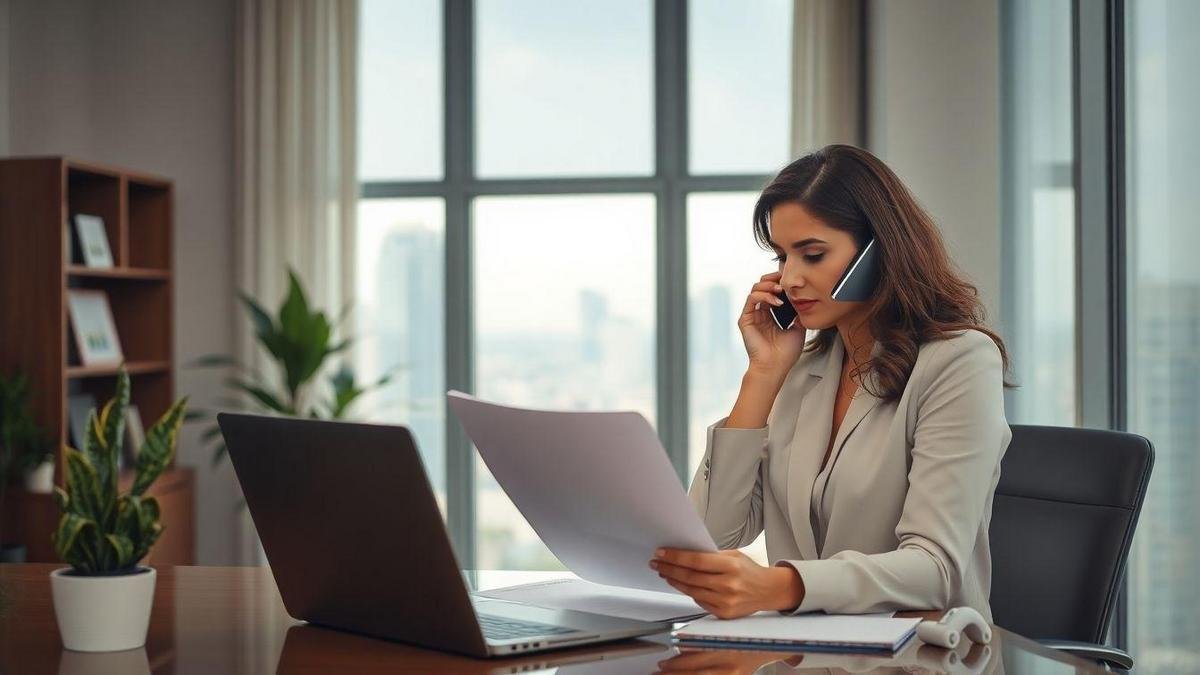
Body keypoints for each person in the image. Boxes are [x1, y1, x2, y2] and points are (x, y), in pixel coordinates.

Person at [649, 144, 1013, 621]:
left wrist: (781, 586)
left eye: (813, 254)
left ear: (878, 251)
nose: (791, 279)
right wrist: (762, 377)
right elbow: (712, 537)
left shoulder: (958, 361)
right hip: (805, 657)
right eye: (782, 257)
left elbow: (935, 568)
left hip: (918, 659)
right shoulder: (801, 370)